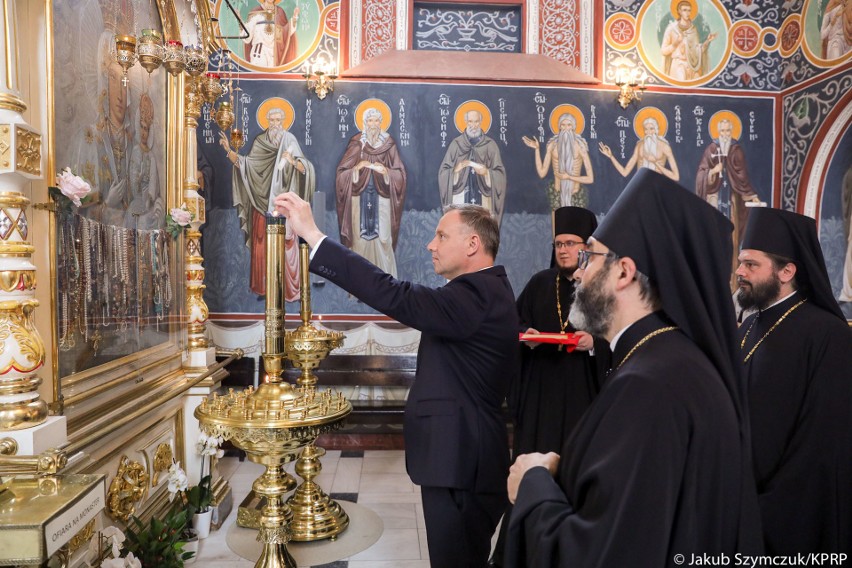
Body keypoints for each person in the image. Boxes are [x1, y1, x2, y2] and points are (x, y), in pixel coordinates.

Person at [506, 168, 762, 566]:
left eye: (589, 256)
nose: (578, 271)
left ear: (624, 271)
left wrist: (533, 482)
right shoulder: (669, 359)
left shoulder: (649, 387)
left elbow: (598, 554)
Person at [274, 191, 518, 568]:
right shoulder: (483, 292)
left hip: (461, 463)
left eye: (441, 236)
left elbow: (392, 293)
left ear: (473, 244)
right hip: (462, 457)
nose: (430, 244)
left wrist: (313, 234)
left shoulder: (475, 296)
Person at [490, 206, 608, 567]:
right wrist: (527, 338)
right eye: (558, 243)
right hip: (540, 393)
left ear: (586, 247)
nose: (563, 250)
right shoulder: (541, 282)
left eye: (570, 243)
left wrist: (594, 345)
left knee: (574, 471)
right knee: (531, 469)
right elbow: (515, 322)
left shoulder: (600, 288)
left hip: (582, 398)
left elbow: (618, 340)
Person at [735, 207, 852, 554]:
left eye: (751, 265)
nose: (739, 271)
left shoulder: (828, 335)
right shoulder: (746, 327)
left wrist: (766, 508)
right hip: (738, 498)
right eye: (740, 262)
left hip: (787, 516)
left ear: (787, 271)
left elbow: (822, 444)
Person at [220, 107, 315, 300]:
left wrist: (292, 161)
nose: (275, 124)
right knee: (262, 246)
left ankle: (289, 290)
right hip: (261, 203)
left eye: (278, 120)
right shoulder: (260, 142)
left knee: (288, 245)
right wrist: (229, 151)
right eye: (271, 120)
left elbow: (306, 168)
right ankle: (264, 288)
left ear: (284, 121)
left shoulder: (289, 141)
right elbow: (248, 165)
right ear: (266, 121)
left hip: (285, 206)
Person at [335, 107, 407, 276]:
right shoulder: (357, 142)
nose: (373, 124)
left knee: (383, 240)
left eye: (376, 121)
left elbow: (400, 175)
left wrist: (386, 173)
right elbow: (341, 174)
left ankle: (387, 282)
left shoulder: (389, 144)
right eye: (370, 120)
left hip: (382, 200)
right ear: (364, 123)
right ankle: (358, 285)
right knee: (359, 243)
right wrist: (356, 169)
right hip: (358, 200)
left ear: (381, 123)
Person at [696, 117, 761, 277]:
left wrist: (751, 195)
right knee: (712, 237)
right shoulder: (712, 148)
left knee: (732, 238)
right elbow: (701, 174)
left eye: (728, 131)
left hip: (732, 202)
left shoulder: (736, 149)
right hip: (714, 200)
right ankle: (710, 274)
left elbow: (742, 177)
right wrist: (712, 172)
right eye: (722, 131)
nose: (725, 134)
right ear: (718, 132)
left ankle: (731, 277)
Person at [439, 109, 508, 228]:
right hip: (460, 198)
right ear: (465, 122)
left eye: (476, 122)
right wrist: (455, 170)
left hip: (483, 197)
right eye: (470, 121)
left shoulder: (490, 145)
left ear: (481, 122)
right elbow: (443, 172)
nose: (473, 125)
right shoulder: (456, 144)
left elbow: (500, 174)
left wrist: (487, 173)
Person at [522, 114, 594, 209]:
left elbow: (590, 179)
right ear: (559, 126)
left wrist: (569, 177)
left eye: (569, 125)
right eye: (563, 125)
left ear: (574, 127)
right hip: (557, 194)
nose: (566, 128)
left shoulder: (580, 147)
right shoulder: (552, 145)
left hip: (575, 194)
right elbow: (542, 173)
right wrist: (537, 149)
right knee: (556, 223)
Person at [598, 117, 680, 181]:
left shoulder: (664, 147)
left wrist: (656, 163)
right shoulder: (639, 146)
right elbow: (625, 172)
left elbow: (676, 177)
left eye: (651, 129)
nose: (649, 132)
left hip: (657, 186)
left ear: (656, 130)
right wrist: (611, 156)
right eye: (646, 129)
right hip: (641, 186)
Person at [661, 0, 717, 81]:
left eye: (689, 10)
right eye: (684, 10)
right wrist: (676, 42)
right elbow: (663, 51)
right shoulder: (672, 29)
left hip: (693, 66)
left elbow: (697, 51)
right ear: (679, 11)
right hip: (678, 65)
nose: (687, 13)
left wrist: (708, 41)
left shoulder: (693, 29)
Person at [243, 0, 299, 67]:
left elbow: (285, 31)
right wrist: (240, 21)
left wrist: (295, 16)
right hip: (259, 51)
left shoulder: (279, 11)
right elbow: (248, 35)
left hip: (274, 53)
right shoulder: (256, 12)